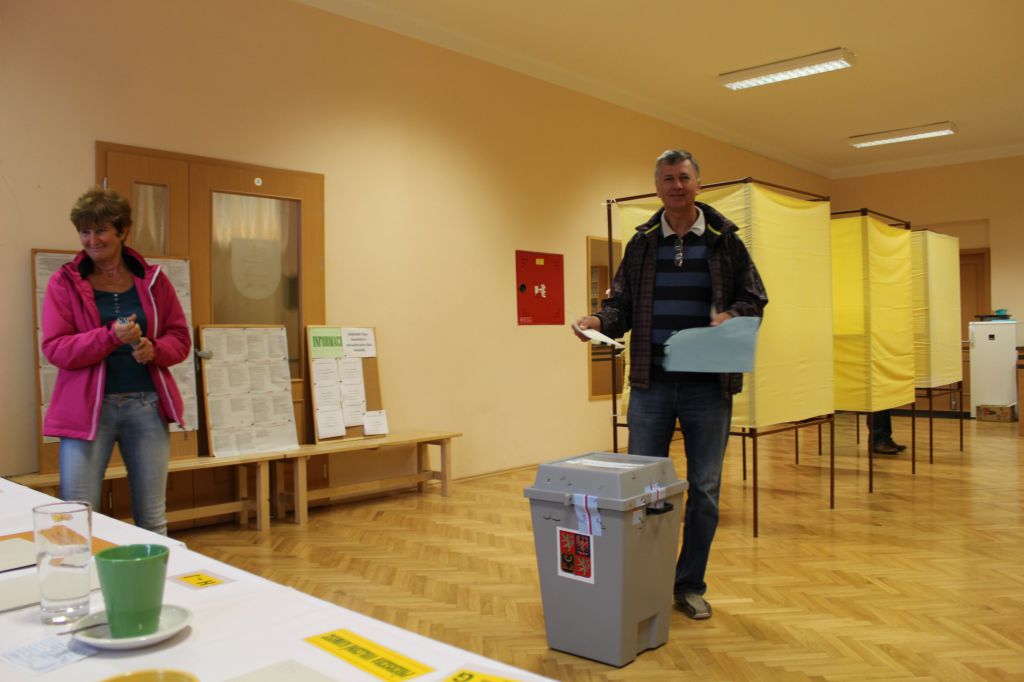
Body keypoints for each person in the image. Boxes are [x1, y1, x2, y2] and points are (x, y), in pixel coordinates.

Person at [574, 149, 768, 620]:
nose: (676, 186)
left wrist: (732, 315)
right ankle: (645, 582)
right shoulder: (641, 244)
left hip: (708, 389)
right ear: (658, 187)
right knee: (643, 488)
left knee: (704, 490)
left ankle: (689, 584)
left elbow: (755, 297)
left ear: (698, 184)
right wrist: (598, 319)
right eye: (668, 179)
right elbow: (620, 305)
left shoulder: (726, 241)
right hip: (650, 385)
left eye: (683, 177)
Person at [42, 188, 191, 535]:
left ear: (123, 231)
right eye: (85, 231)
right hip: (85, 412)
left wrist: (154, 349)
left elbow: (180, 339)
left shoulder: (155, 280)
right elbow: (56, 348)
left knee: (152, 519)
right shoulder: (63, 282)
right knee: (76, 519)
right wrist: (110, 337)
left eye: (101, 230)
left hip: (146, 406)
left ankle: (151, 573)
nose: (92, 240)